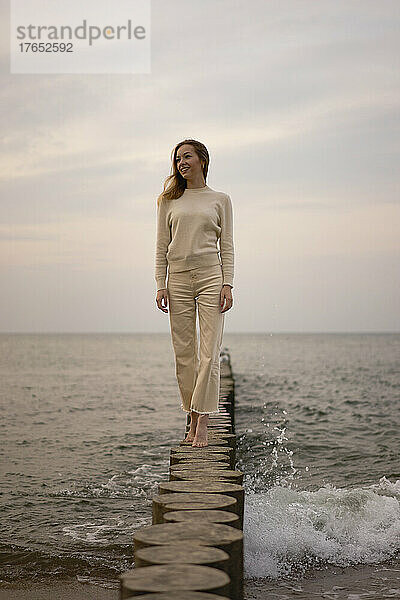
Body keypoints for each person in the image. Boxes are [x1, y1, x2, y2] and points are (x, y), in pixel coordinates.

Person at [155, 139, 234, 447]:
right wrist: (160, 284)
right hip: (177, 279)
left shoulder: (221, 199)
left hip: (211, 276)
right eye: (177, 159)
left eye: (186, 156)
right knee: (184, 353)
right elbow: (161, 246)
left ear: (202, 160)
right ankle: (191, 411)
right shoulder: (168, 200)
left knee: (210, 350)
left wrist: (228, 283)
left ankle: (202, 419)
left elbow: (226, 245)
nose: (180, 162)